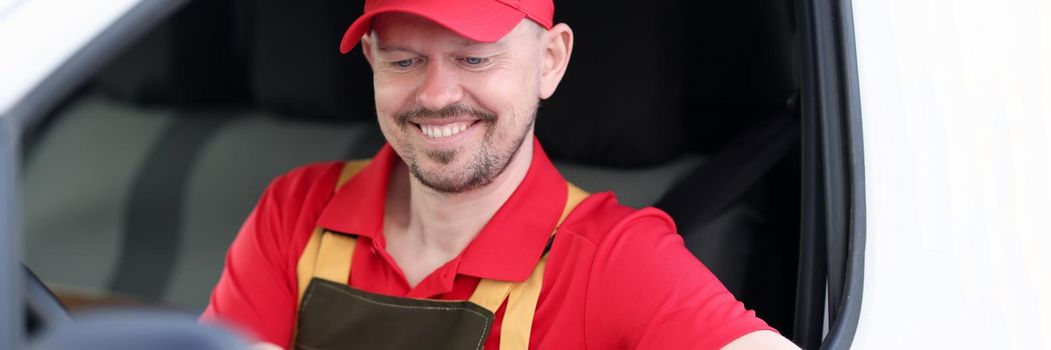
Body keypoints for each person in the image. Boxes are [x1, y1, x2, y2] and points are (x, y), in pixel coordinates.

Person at [201, 0, 799, 349]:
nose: (435, 96)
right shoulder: (297, 212)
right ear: (371, 64)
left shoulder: (608, 259)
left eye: (474, 58)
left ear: (550, 61)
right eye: (404, 61)